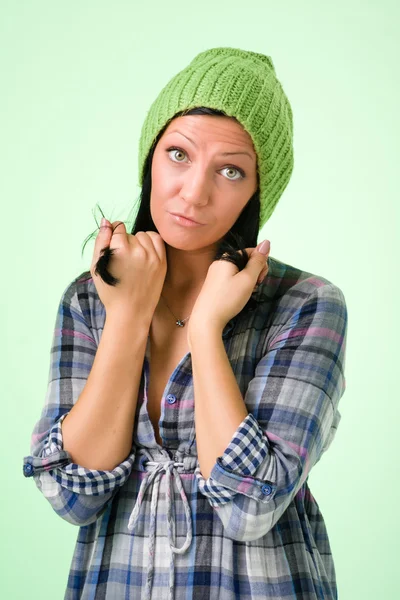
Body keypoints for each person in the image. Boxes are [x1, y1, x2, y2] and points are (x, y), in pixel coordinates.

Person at [22, 47, 348, 600]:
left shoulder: (305, 305)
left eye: (230, 170)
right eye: (178, 154)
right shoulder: (88, 300)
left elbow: (251, 505)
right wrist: (126, 316)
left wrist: (205, 329)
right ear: (150, 156)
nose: (194, 192)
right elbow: (72, 495)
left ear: (256, 192)